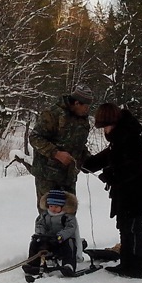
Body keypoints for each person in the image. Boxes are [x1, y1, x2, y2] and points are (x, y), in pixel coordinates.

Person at [81, 104, 142, 279]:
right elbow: (108, 156)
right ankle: (127, 264)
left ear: (115, 123)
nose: (105, 131)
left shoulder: (130, 139)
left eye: (106, 126)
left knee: (133, 229)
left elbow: (134, 166)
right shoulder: (120, 140)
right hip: (130, 194)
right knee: (125, 228)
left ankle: (138, 267)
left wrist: (110, 175)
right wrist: (88, 165)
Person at [29, 84, 93, 212]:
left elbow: (79, 145)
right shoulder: (53, 114)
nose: (87, 109)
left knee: (69, 216)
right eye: (85, 106)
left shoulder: (83, 119)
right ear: (76, 103)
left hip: (68, 177)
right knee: (48, 216)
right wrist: (56, 153)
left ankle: (66, 233)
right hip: (47, 176)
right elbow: (35, 138)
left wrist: (89, 161)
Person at [23, 189, 82, 276]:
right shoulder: (45, 215)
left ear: (62, 206)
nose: (53, 209)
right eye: (51, 206)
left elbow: (70, 228)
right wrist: (40, 235)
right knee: (34, 243)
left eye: (56, 207)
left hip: (62, 241)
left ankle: (69, 265)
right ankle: (33, 264)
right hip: (48, 240)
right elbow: (40, 225)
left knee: (70, 243)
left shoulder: (68, 217)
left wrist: (60, 236)